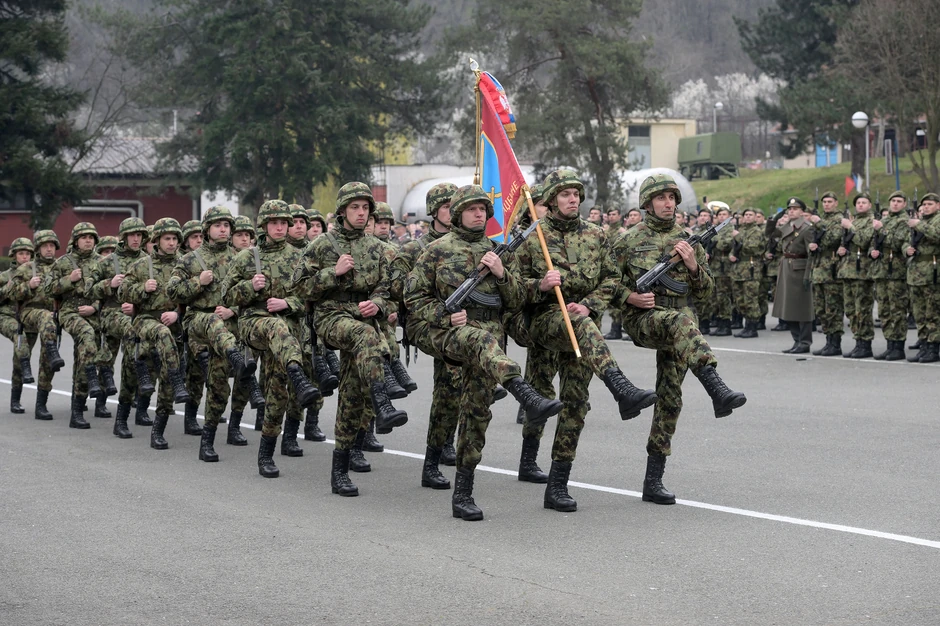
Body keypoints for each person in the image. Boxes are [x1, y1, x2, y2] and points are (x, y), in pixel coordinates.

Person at [405, 184, 563, 520]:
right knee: (448, 400)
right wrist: (443, 315)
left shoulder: (497, 251)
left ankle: (463, 493)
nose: (479, 213)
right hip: (449, 335)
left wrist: (502, 273)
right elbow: (413, 299)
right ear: (459, 212)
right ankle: (524, 393)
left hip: (491, 347)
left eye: (483, 209)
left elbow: (519, 297)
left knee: (477, 414)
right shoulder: (436, 251)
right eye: (472, 208)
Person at [514, 169, 657, 512]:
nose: (573, 199)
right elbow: (513, 288)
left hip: (582, 325)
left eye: (576, 193)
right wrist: (541, 286)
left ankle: (558, 484)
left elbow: (611, 278)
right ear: (549, 201)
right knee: (541, 394)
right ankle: (529, 456)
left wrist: (589, 304)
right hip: (545, 323)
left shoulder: (595, 234)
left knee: (576, 401)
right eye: (565, 194)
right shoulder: (532, 237)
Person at [613, 174, 746, 505]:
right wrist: (630, 297)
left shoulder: (689, 240)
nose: (668, 203)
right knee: (679, 322)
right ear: (647, 204)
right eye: (661, 198)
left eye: (672, 197)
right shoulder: (627, 241)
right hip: (644, 319)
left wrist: (691, 264)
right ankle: (717, 388)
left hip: (682, 327)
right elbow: (605, 285)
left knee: (669, 397)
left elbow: (707, 291)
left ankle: (653, 480)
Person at [293, 183, 407, 496]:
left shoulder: (379, 248)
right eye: (355, 207)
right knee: (366, 334)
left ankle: (339, 471)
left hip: (363, 319)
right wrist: (333, 272)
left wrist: (380, 304)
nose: (361, 213)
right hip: (331, 318)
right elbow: (299, 287)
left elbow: (389, 288)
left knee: (352, 394)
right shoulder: (321, 244)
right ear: (343, 210)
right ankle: (382, 401)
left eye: (365, 208)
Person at [222, 200, 320, 477]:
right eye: (274, 222)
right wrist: (249, 287)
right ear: (263, 226)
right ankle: (299, 377)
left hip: (286, 331)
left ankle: (266, 454)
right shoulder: (246, 257)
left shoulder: (299, 257)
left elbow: (309, 298)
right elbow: (227, 298)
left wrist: (288, 304)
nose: (280, 227)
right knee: (278, 330)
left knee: (278, 392)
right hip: (254, 323)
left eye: (284, 222)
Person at [168, 206, 258, 462]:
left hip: (229, 324)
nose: (223, 229)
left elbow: (253, 295)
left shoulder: (241, 258)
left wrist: (234, 310)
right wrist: (199, 282)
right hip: (200, 320)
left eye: (226, 225)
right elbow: (172, 292)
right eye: (217, 225)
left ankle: (221, 434)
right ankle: (207, 440)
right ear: (206, 229)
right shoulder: (189, 259)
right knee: (213, 325)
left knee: (223, 386)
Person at [389, 182, 462, 487]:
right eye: (448, 207)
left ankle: (446, 443)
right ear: (434, 212)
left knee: (456, 392)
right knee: (448, 386)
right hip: (426, 324)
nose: (453, 212)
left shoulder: (467, 244)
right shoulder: (414, 249)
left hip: (459, 324)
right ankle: (432, 462)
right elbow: (398, 290)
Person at [120, 218, 196, 449]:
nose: (172, 243)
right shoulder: (142, 265)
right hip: (146, 320)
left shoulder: (186, 264)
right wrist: (142, 289)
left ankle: (158, 432)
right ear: (156, 241)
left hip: (173, 323)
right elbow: (122, 291)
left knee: (165, 382)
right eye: (167, 239)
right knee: (133, 372)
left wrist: (178, 314)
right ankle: (121, 419)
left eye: (175, 239)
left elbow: (197, 295)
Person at [89, 217, 151, 437]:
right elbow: (89, 289)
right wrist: (110, 284)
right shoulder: (107, 262)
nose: (136, 239)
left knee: (130, 365)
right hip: (111, 314)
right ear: (123, 237)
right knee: (108, 359)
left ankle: (133, 413)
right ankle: (102, 402)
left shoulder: (147, 260)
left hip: (134, 316)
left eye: (139, 235)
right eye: (132, 235)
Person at [47, 222, 107, 428]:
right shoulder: (64, 262)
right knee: (87, 334)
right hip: (70, 312)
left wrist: (95, 307)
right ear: (75, 240)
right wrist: (68, 280)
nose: (88, 240)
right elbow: (49, 289)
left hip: (92, 312)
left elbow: (107, 290)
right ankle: (92, 378)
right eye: (84, 237)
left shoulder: (102, 262)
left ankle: (77, 409)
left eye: (91, 237)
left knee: (85, 353)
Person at [9, 230, 66, 420]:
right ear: (38, 249)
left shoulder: (61, 267)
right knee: (21, 356)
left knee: (47, 363)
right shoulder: (26, 269)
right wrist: (28, 286)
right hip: (30, 314)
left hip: (50, 319)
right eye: (45, 246)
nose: (49, 249)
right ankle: (15, 398)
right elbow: (13, 294)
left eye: (52, 245)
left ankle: (41, 405)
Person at [870, 191, 911, 360]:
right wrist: (872, 251)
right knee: (884, 310)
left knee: (897, 310)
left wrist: (883, 230)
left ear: (904, 204)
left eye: (898, 201)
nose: (895, 203)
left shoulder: (906, 221)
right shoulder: (884, 220)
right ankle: (890, 344)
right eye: (893, 200)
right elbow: (873, 242)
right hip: (881, 270)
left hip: (896, 271)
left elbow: (899, 242)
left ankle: (899, 346)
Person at [772, 197, 815, 353]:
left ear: (802, 211)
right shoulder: (786, 226)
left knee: (803, 309)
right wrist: (775, 218)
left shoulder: (807, 228)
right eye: (789, 209)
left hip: (800, 269)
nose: (791, 211)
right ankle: (796, 340)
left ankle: (804, 342)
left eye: (795, 209)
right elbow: (769, 233)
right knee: (787, 308)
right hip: (786, 268)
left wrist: (808, 275)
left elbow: (811, 254)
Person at [0, 238, 38, 413]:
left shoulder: (35, 275)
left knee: (20, 357)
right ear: (14, 255)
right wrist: (6, 290)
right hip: (6, 316)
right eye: (21, 253)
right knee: (18, 335)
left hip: (26, 318)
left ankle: (15, 400)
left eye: (28, 253)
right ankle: (26, 366)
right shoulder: (5, 276)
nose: (25, 257)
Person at [837, 193, 876, 358]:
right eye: (858, 202)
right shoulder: (853, 221)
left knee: (863, 309)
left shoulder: (871, 222)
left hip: (862, 272)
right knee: (851, 310)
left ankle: (865, 343)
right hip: (847, 270)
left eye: (864, 202)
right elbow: (845, 242)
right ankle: (858, 341)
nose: (860, 205)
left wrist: (850, 227)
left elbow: (863, 241)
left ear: (870, 205)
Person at [905, 192, 940, 362]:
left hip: (932, 273)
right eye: (924, 204)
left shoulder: (935, 220)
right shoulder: (919, 221)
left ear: (938, 206)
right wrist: (907, 249)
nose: (926, 207)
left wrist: (919, 224)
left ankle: (933, 348)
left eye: (930, 204)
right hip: (915, 272)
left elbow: (937, 235)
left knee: (932, 313)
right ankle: (924, 345)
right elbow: (906, 240)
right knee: (919, 313)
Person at [728, 208, 767, 338]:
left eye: (751, 215)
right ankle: (746, 323)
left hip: (751, 268)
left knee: (751, 298)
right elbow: (734, 247)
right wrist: (731, 254)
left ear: (756, 217)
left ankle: (752, 326)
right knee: (739, 299)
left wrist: (737, 236)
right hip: (738, 269)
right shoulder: (742, 230)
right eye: (746, 215)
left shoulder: (757, 231)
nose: (748, 217)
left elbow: (753, 247)